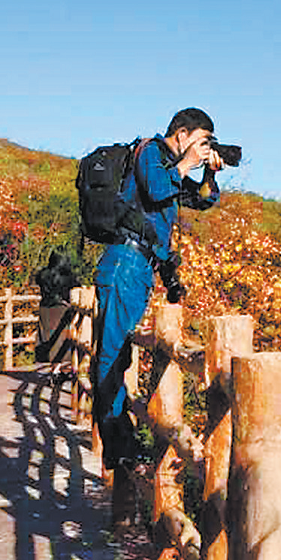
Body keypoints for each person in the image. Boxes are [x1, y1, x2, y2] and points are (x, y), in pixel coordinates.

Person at [92, 108, 223, 523]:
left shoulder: (172, 167)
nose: (204, 149)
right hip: (124, 265)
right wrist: (186, 164)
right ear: (181, 134)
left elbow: (202, 202)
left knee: (120, 356)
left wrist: (208, 175)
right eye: (202, 140)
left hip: (139, 270)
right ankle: (121, 449)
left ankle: (125, 450)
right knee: (111, 359)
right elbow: (156, 188)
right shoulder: (151, 153)